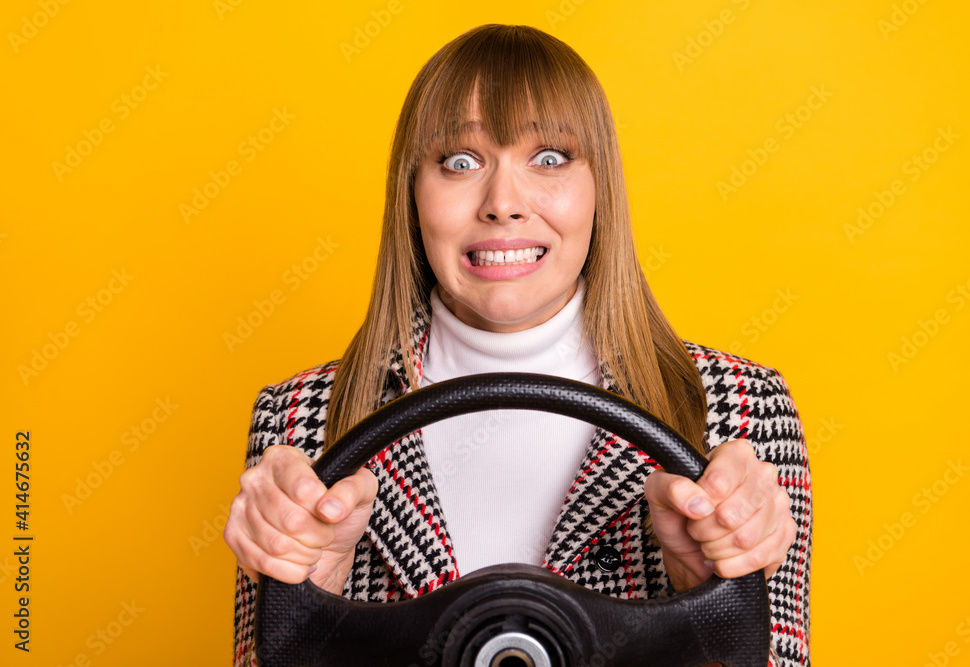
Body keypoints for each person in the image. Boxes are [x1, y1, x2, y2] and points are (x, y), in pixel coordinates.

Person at [224, 23, 811, 667]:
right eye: (461, 162)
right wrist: (316, 594)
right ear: (411, 196)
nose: (503, 203)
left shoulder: (737, 406)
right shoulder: (300, 418)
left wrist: (708, 602)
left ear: (600, 191)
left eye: (550, 158)